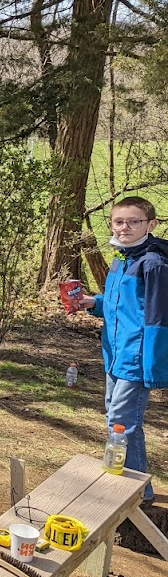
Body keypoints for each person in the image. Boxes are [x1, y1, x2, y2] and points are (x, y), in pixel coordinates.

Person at [76, 196, 166, 502]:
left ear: (151, 225)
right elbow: (120, 308)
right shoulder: (122, 257)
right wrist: (92, 303)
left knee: (122, 421)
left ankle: (138, 494)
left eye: (133, 221)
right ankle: (133, 484)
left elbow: (158, 319)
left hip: (136, 358)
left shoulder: (153, 264)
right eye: (119, 221)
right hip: (114, 354)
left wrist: (153, 368)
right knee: (118, 421)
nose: (125, 227)